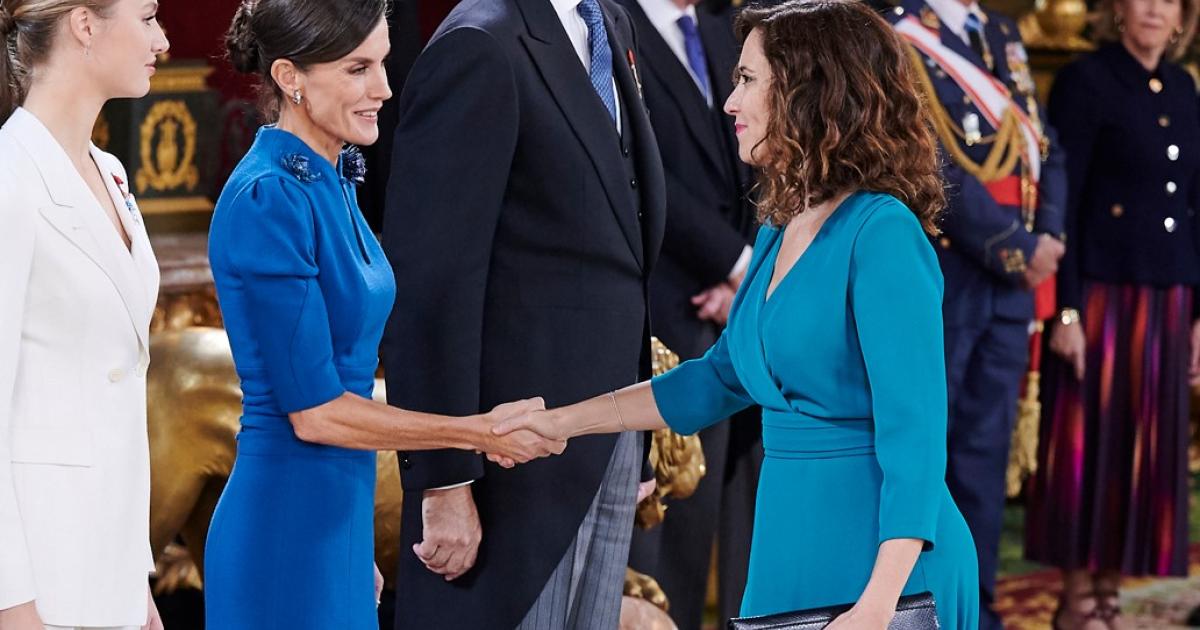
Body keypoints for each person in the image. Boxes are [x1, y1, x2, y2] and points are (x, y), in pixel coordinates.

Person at [495, 1, 979, 628]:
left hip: (887, 564)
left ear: (810, 92)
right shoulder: (782, 223)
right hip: (788, 543)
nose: (731, 103)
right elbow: (718, 379)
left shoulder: (882, 233)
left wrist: (878, 605)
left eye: (748, 80)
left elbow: (915, 441)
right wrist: (563, 422)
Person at [204, 1, 562, 627]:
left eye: (383, 64)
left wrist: (350, 546)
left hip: (335, 528)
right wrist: (475, 431)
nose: (384, 88)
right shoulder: (268, 197)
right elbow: (315, 414)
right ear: (291, 77)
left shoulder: (330, 175)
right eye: (358, 69)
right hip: (283, 534)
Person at [380, 0, 667, 625]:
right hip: (510, 465)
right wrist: (445, 480)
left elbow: (618, 238)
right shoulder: (479, 44)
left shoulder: (609, 23)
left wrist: (633, 446)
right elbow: (431, 284)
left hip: (606, 439)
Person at [886, 0, 1067, 626]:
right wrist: (1016, 248)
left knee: (983, 460)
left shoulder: (998, 31)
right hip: (948, 272)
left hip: (1012, 286)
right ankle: (920, 609)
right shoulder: (896, 31)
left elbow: (1043, 143)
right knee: (926, 455)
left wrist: (1050, 236)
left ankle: (977, 607)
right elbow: (921, 154)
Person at [1024, 0, 1200, 624]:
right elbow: (1060, 205)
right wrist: (1064, 310)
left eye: (1168, 0)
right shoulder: (1086, 79)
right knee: (1086, 446)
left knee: (1138, 449)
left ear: (1184, 15)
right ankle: (1074, 598)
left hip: (1168, 295)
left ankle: (1109, 589)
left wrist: (1198, 314)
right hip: (1098, 294)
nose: (1154, 8)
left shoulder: (1183, 87)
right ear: (1117, 10)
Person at [0, 1, 168, 629]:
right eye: (148, 16)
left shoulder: (113, 172)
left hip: (110, 574)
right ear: (85, 24)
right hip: (41, 579)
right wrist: (12, 604)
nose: (163, 37)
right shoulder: (9, 180)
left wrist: (138, 587)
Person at [616, 0, 761, 626]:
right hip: (659, 309)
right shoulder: (611, 21)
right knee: (660, 535)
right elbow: (640, 169)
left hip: (733, 310)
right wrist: (737, 264)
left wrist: (749, 274)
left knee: (727, 516)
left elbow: (762, 146)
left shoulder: (719, 28)